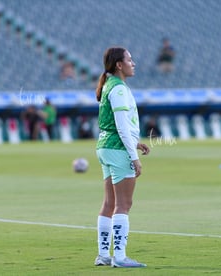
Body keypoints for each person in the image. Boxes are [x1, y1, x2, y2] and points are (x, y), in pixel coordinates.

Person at [94, 47, 150, 268]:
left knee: (109, 203)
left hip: (106, 147)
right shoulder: (118, 89)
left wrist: (134, 142)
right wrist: (133, 155)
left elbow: (116, 125)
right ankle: (119, 256)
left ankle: (103, 255)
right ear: (119, 64)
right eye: (129, 59)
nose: (133, 63)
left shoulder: (109, 85)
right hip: (118, 150)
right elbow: (121, 125)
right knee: (123, 204)